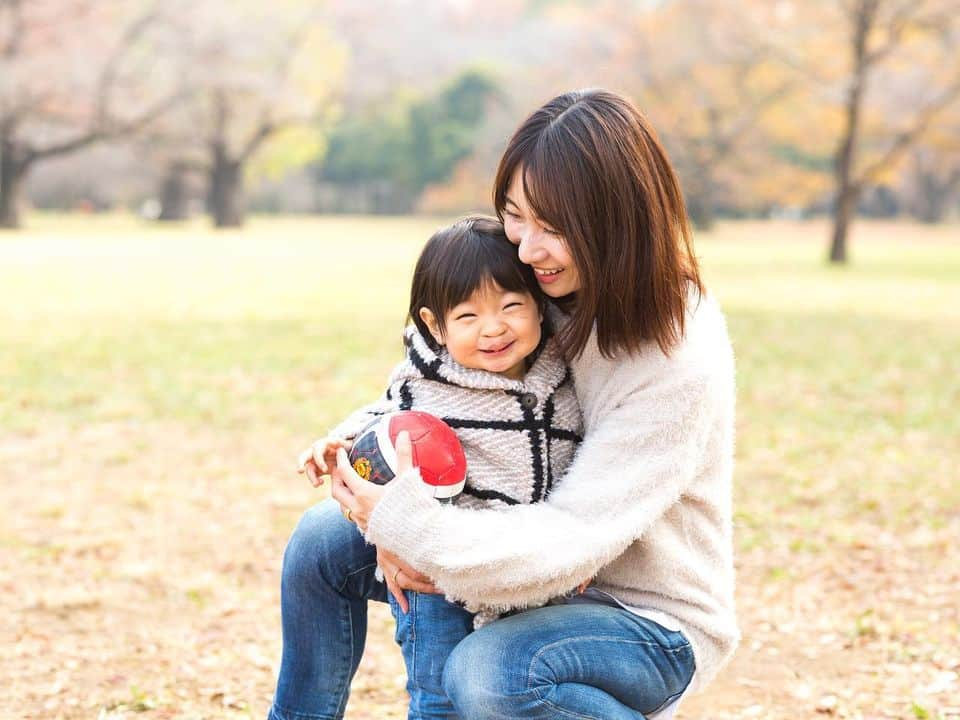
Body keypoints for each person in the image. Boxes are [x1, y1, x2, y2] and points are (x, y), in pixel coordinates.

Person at [269, 88, 738, 720]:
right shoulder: (548, 285)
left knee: (489, 673)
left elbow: (573, 539)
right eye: (516, 215)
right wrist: (375, 478)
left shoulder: (675, 357)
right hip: (523, 538)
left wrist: (414, 529)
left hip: (641, 614)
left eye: (555, 228)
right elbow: (450, 388)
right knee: (320, 543)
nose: (524, 247)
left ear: (617, 223)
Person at [295, 215, 583, 719]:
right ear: (435, 325)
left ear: (539, 306)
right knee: (438, 697)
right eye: (468, 317)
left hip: (525, 567)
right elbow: (384, 419)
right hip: (435, 573)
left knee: (494, 690)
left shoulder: (566, 379)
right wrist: (338, 443)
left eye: (511, 306)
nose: (493, 329)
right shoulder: (427, 380)